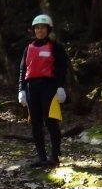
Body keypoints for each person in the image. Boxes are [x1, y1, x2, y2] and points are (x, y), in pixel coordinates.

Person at [18, 14, 69, 168]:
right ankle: (41, 156)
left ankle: (54, 157)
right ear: (34, 30)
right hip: (31, 87)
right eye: (37, 28)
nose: (40, 30)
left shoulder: (56, 47)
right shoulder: (28, 48)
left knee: (51, 121)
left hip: (49, 86)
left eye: (43, 27)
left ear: (48, 29)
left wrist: (61, 87)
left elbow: (62, 68)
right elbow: (23, 69)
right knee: (35, 123)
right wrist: (21, 90)